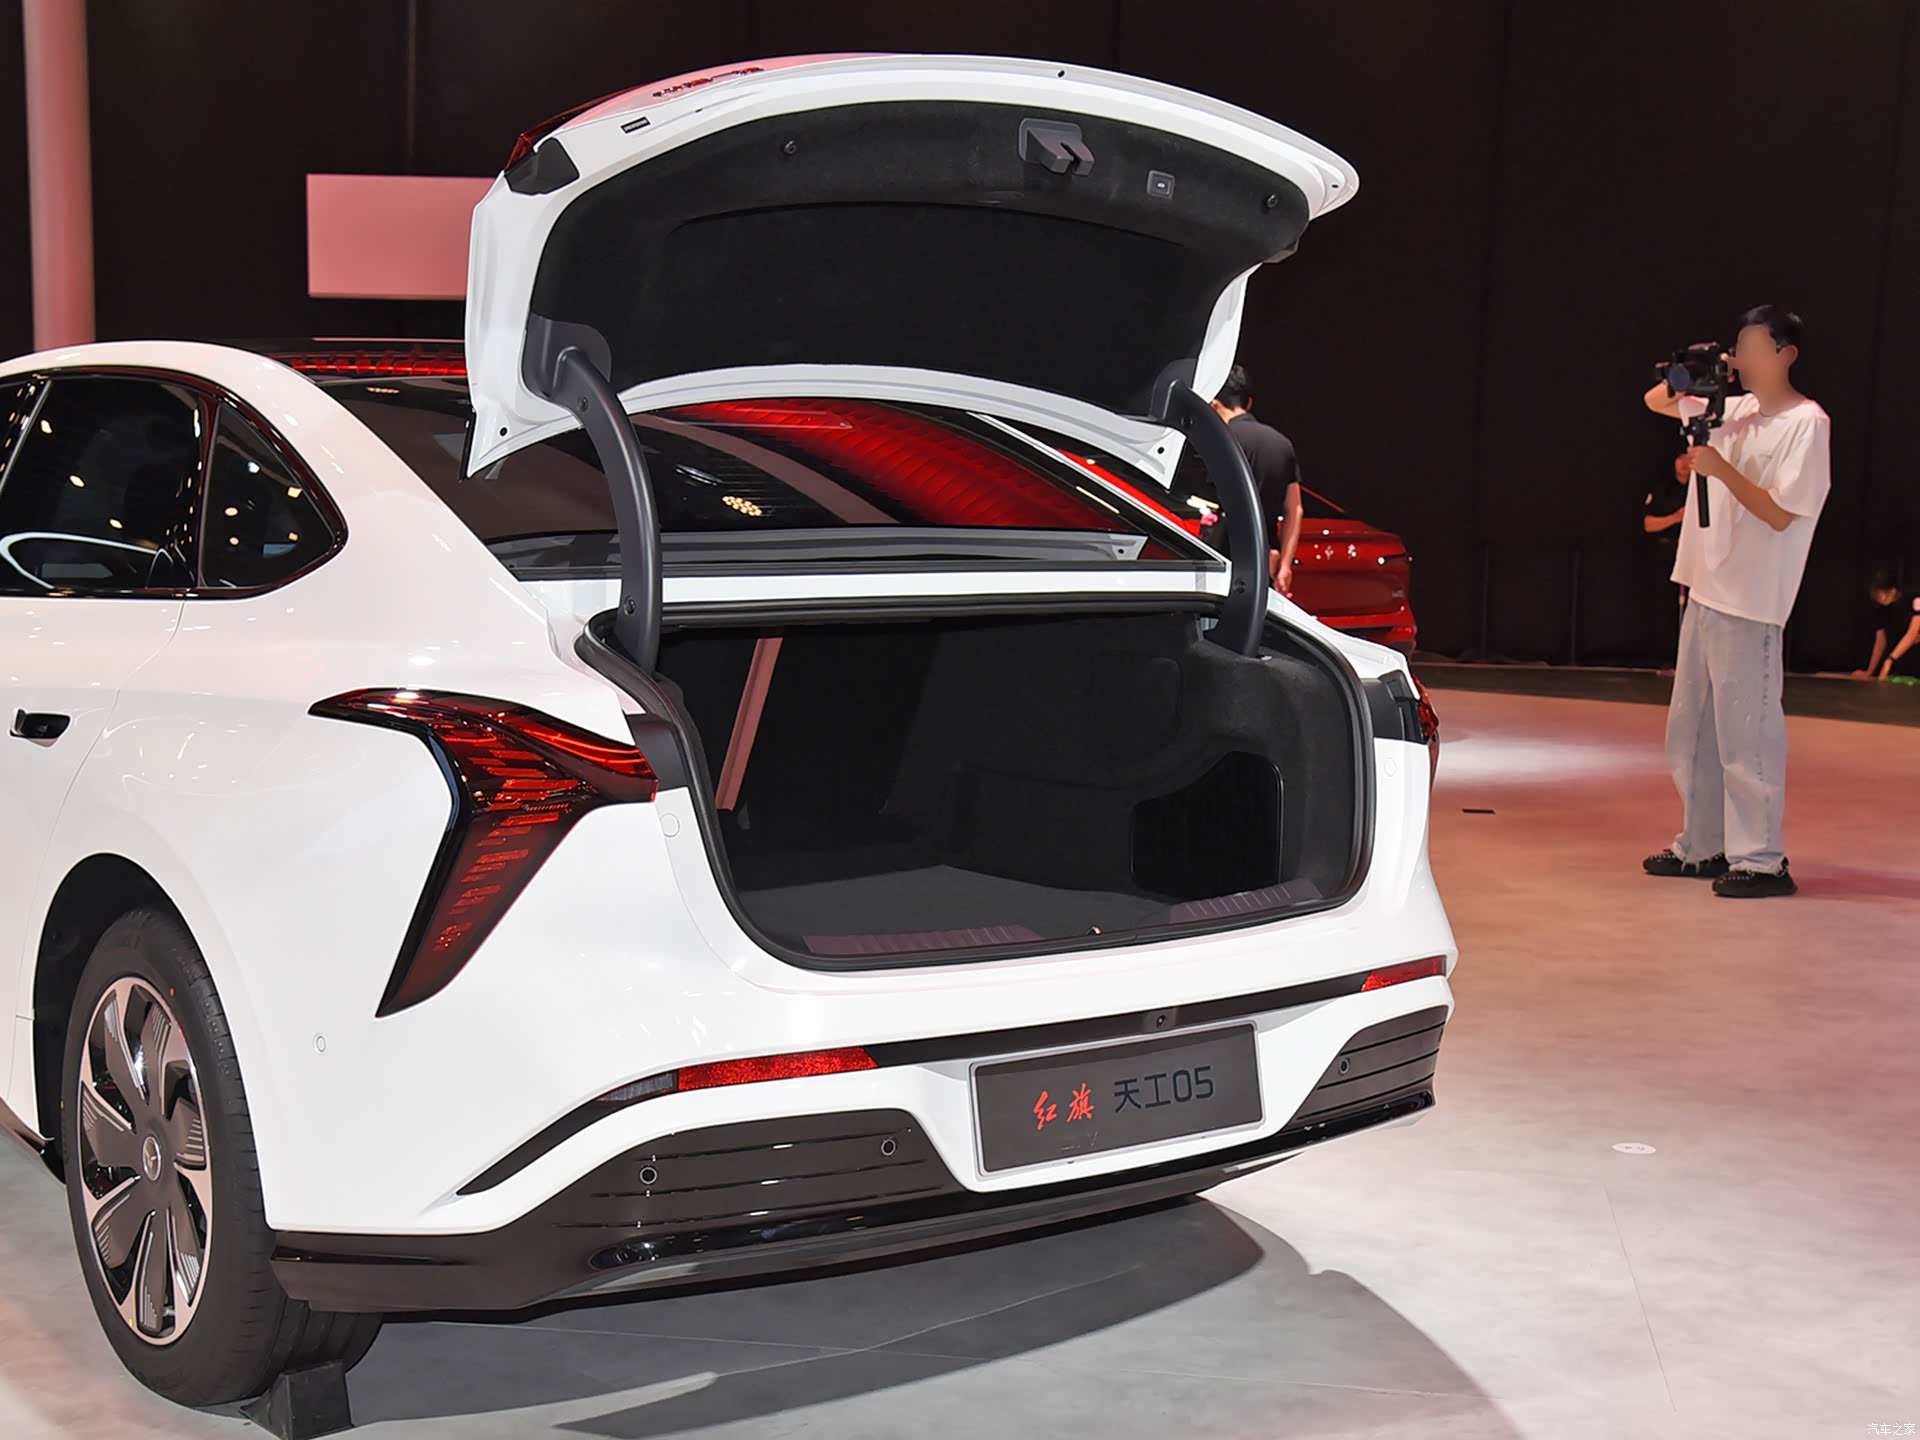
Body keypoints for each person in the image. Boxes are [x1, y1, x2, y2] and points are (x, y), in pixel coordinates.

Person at [1639, 304, 1831, 898]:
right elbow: (1656, 399)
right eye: (1737, 346)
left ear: (1785, 354)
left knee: (1748, 734)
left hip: (1752, 598)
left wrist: (1720, 469)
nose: (1742, 357)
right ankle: (1701, 845)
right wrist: (1704, 369)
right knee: (1692, 728)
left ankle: (1762, 859)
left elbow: (1780, 512)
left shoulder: (1807, 422)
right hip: (1705, 585)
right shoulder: (1734, 408)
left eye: (1752, 346)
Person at [1211, 364, 1305, 595]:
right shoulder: (1282, 443)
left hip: (1224, 558)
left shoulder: (1220, 441)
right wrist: (1285, 566)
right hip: (1267, 560)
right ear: (1249, 402)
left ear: (1213, 405)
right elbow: (1295, 509)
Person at [1641, 450, 1691, 663]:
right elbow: (1648, 524)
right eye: (1680, 457)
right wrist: (1676, 517)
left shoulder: (1702, 489)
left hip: (1695, 559)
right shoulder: (1662, 488)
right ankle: (1665, 656)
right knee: (1665, 607)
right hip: (1666, 555)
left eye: (1688, 457)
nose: (1684, 463)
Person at [1858, 569, 1920, 680]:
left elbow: (1912, 634)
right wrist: (1869, 672)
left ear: (1893, 590)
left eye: (1882, 593)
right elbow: (1880, 642)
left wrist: (1889, 660)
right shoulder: (1880, 610)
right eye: (1876, 594)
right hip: (1901, 661)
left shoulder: (1914, 599)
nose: (1880, 598)